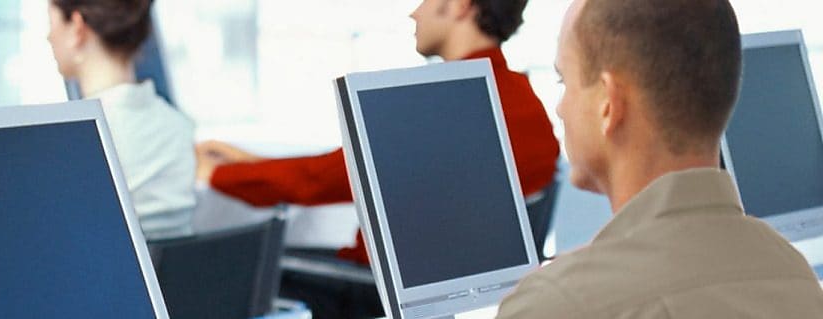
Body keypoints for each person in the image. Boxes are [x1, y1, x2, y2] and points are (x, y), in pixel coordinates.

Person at [197, 0, 559, 317]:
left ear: (460, 5)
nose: (413, 11)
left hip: (379, 290)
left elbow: (319, 181)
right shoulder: (524, 102)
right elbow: (345, 168)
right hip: (455, 296)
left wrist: (212, 174)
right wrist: (244, 160)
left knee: (231, 267)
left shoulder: (443, 101)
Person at [497, 0, 823, 317]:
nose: (560, 107)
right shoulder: (793, 273)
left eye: (563, 81)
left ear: (608, 104)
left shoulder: (556, 304)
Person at [48, 0, 197, 239]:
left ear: (77, 27)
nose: (49, 36)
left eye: (52, 22)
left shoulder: (74, 142)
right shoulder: (178, 127)